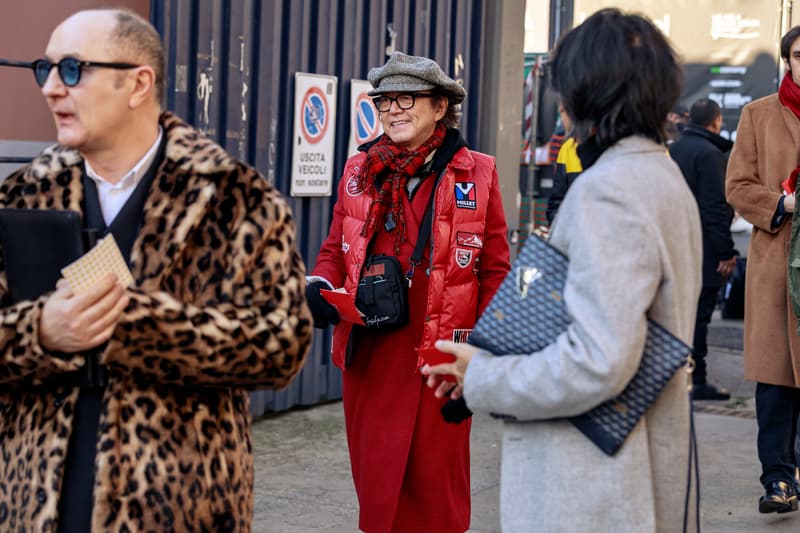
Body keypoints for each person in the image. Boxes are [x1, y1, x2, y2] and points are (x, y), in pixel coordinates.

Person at [0, 9, 312, 532]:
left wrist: (135, 323)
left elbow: (283, 345)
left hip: (179, 507)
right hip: (37, 504)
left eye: (72, 69)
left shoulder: (237, 198)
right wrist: (42, 331)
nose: (52, 88)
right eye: (44, 69)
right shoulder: (22, 196)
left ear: (138, 83)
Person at [423, 9, 701, 531]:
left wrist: (480, 375)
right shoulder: (661, 175)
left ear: (585, 94)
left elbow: (598, 360)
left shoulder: (608, 190)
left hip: (591, 487)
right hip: (635, 471)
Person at [306, 51, 510, 533]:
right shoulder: (359, 169)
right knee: (377, 488)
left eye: (407, 99)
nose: (393, 110)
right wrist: (318, 285)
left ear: (440, 107)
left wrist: (481, 357)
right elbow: (335, 247)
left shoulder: (478, 173)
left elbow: (496, 270)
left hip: (442, 356)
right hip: (372, 350)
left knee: (436, 493)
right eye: (384, 102)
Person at [726, 25, 800, 515]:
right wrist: (784, 202)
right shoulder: (759, 115)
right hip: (779, 262)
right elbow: (737, 185)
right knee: (776, 382)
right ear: (787, 59)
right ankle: (778, 479)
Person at [669, 97, 736, 401]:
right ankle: (698, 380)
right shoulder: (710, 154)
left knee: (680, 314)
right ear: (716, 121)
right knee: (700, 317)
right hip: (703, 251)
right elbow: (714, 208)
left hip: (674, 247)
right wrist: (726, 251)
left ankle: (677, 375)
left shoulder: (673, 149)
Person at [545, 101, 582, 225]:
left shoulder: (567, 147)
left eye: (562, 112)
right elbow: (556, 205)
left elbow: (556, 204)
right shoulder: (566, 148)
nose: (562, 118)